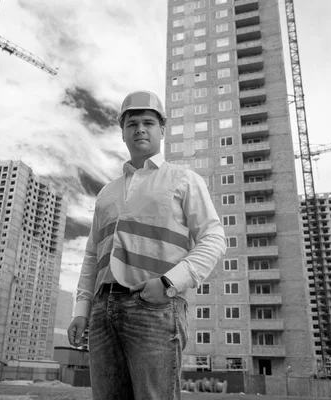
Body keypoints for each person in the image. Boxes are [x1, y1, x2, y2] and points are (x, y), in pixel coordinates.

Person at [67, 90, 226, 400]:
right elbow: (91, 255)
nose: (140, 129)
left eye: (148, 122)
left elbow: (214, 237)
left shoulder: (184, 180)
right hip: (102, 310)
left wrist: (169, 283)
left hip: (154, 306)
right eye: (132, 123)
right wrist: (81, 310)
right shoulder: (107, 193)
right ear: (123, 132)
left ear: (162, 130)